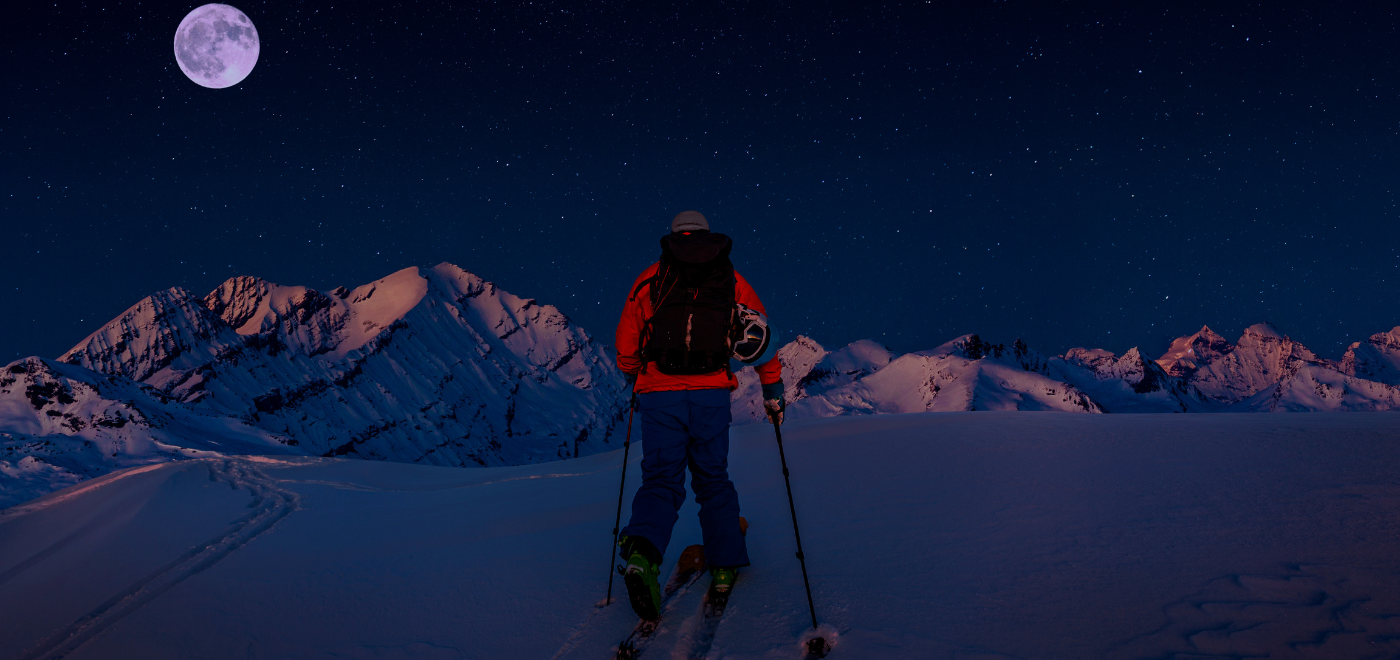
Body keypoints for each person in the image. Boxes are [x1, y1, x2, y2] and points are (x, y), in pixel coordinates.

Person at [613, 210, 785, 620]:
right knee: (713, 479)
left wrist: (634, 375)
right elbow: (762, 335)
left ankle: (642, 555)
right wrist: (772, 390)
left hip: (659, 395)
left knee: (660, 480)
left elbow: (626, 340)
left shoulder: (650, 278)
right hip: (710, 394)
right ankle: (724, 567)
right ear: (709, 236)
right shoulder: (732, 279)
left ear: (671, 237)